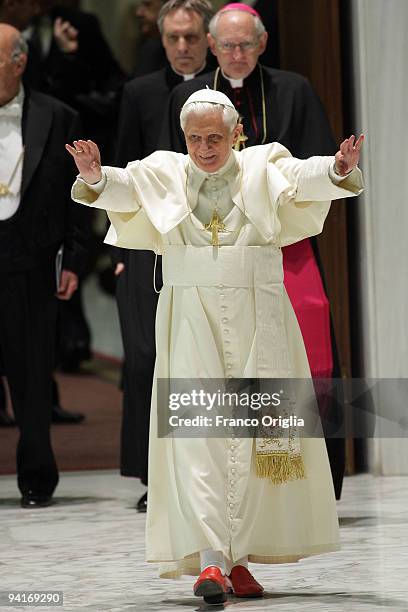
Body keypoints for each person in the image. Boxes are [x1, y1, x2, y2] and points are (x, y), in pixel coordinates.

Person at [68, 89, 363, 603]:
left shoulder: (261, 165)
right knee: (198, 439)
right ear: (184, 138)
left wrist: (337, 168)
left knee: (253, 441)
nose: (204, 148)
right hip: (190, 319)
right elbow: (124, 188)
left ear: (235, 135)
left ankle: (240, 558)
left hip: (260, 316)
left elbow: (303, 178)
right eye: (195, 138)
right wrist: (95, 176)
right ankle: (210, 563)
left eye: (215, 138)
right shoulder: (167, 171)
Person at [160, 2, 347, 499]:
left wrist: (331, 174)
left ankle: (307, 476)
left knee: (306, 351)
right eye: (227, 45)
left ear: (262, 44)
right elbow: (168, 176)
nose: (237, 54)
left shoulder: (294, 89)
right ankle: (216, 480)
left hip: (280, 241)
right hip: (210, 247)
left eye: (246, 45)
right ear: (211, 47)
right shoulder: (186, 96)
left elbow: (314, 165)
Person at [114, 0, 214, 513]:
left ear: (207, 37)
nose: (182, 47)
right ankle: (155, 474)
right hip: (151, 244)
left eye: (191, 37)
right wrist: (123, 245)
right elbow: (122, 170)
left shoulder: (227, 91)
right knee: (148, 360)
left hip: (215, 244)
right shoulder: (140, 92)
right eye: (172, 38)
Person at [0, 24, 88, 507]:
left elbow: (76, 199)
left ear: (19, 63)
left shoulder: (58, 117)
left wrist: (73, 258)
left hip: (31, 261)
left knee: (32, 376)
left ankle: (36, 475)